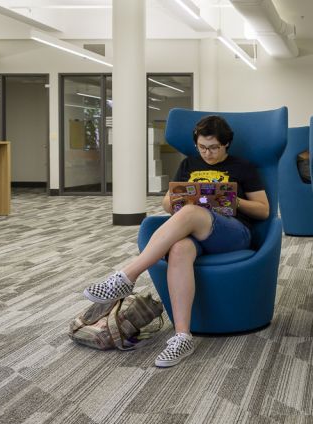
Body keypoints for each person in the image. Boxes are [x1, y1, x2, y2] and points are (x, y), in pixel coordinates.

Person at [82, 115, 269, 368]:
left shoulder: (242, 167)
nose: (208, 153)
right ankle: (182, 336)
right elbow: (167, 203)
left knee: (192, 212)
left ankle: (127, 276)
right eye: (202, 147)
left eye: (214, 147)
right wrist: (181, 200)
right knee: (179, 249)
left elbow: (263, 210)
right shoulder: (188, 164)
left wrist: (230, 200)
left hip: (234, 233)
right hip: (195, 234)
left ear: (226, 145)